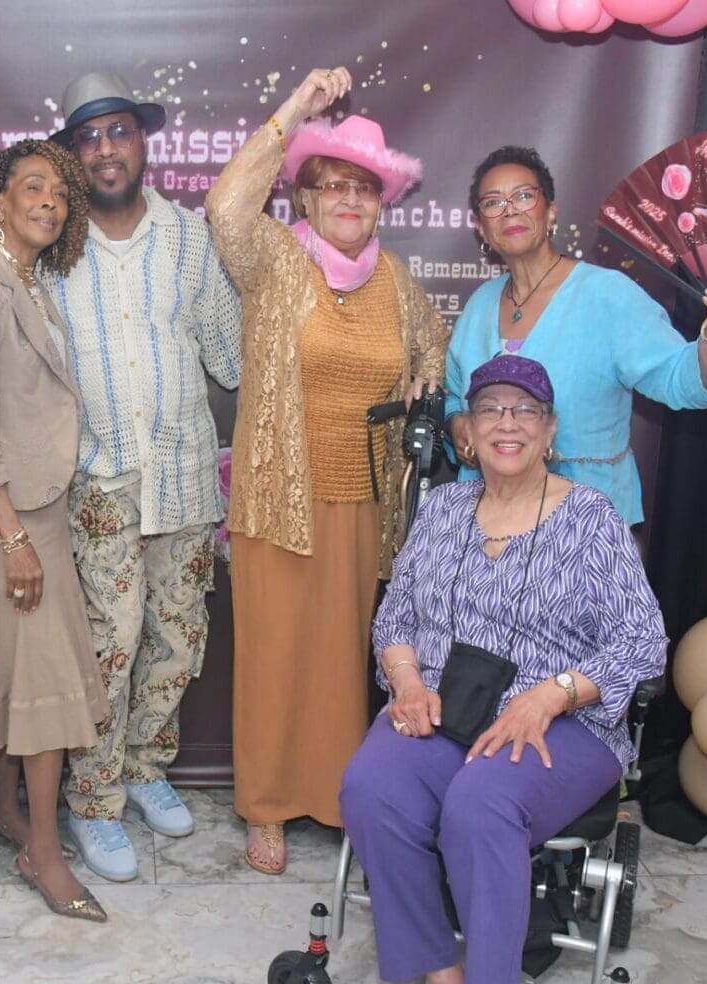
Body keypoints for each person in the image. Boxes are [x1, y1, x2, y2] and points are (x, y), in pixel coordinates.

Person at [340, 354, 667, 984]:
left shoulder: (590, 520)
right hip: (445, 710)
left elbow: (644, 643)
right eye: (491, 409)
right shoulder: (445, 511)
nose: (507, 423)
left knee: (481, 803)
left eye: (524, 411)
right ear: (467, 431)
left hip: (566, 723)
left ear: (550, 433)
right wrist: (403, 679)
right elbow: (395, 615)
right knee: (374, 788)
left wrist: (552, 693)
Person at [206, 67, 448, 875]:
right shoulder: (275, 261)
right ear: (302, 200)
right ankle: (268, 807)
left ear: (382, 203)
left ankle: (339, 795)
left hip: (360, 500)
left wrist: (426, 381)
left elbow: (431, 352)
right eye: (332, 186)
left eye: (364, 189)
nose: (349, 200)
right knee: (275, 653)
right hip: (280, 495)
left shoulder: (397, 282)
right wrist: (296, 112)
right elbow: (224, 206)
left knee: (347, 660)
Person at [45, 71, 244, 881]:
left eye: (118, 131)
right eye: (87, 137)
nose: (104, 149)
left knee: (176, 635)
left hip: (185, 473)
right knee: (108, 643)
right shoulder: (52, 245)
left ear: (143, 140)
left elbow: (228, 355)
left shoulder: (190, 237)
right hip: (97, 482)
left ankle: (143, 769)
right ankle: (91, 800)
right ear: (72, 156)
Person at [0, 139, 107, 922]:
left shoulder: (25, 282)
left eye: (61, 194)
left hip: (33, 503)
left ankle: (3, 810)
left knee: (18, 665)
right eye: (32, 187)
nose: (49, 202)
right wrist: (10, 536)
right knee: (41, 682)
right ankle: (42, 852)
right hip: (2, 510)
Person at [447, 145, 707, 525]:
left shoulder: (608, 294)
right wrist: (458, 423)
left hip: (585, 525)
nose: (510, 209)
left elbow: (685, 382)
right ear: (481, 227)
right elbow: (454, 396)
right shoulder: (480, 304)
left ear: (551, 211)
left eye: (525, 195)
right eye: (493, 202)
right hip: (488, 520)